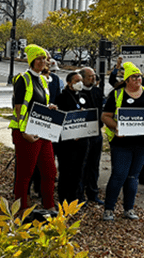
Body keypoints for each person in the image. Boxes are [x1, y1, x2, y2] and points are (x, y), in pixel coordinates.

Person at [101, 61, 144, 221]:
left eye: (139, 77)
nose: (138, 79)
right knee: (119, 175)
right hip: (122, 143)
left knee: (133, 176)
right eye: (134, 77)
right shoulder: (117, 94)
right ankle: (109, 209)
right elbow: (105, 116)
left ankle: (129, 208)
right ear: (127, 80)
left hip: (143, 143)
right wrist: (116, 128)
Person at [10, 44, 57, 211]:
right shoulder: (22, 79)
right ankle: (21, 210)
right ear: (31, 61)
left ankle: (49, 206)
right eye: (38, 58)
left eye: (44, 58)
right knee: (25, 174)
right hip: (26, 133)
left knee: (50, 171)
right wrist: (24, 132)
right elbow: (19, 109)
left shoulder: (43, 80)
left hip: (42, 130)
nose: (42, 61)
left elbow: (38, 104)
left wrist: (49, 106)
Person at [55, 71, 89, 204]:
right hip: (67, 143)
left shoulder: (84, 96)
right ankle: (64, 200)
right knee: (66, 171)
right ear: (69, 83)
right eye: (76, 81)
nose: (79, 83)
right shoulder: (61, 97)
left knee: (78, 171)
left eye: (81, 80)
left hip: (82, 141)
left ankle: (75, 199)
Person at [79, 66, 105, 205]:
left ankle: (93, 193)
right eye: (90, 76)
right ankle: (80, 194)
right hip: (82, 135)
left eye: (94, 75)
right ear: (82, 78)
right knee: (82, 165)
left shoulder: (97, 91)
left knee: (94, 165)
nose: (93, 78)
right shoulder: (78, 93)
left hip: (96, 133)